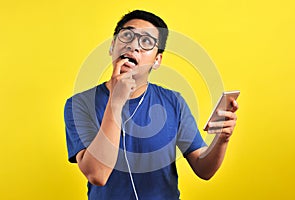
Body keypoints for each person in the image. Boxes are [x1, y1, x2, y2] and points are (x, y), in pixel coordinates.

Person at [64, 10, 239, 200]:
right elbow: (97, 174)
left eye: (146, 42)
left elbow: (204, 169)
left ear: (157, 60)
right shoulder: (79, 104)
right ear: (112, 46)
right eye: (127, 35)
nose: (133, 46)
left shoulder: (174, 101)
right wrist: (116, 100)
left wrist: (222, 140)